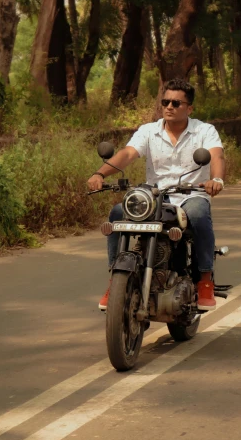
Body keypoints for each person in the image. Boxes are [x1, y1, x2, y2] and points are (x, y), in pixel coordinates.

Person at [87, 79, 226, 313]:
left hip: (191, 194)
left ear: (189, 108)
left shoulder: (204, 130)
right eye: (165, 102)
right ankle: (115, 278)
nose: (169, 107)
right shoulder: (148, 131)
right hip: (154, 196)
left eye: (176, 102)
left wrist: (217, 180)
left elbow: (217, 157)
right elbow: (128, 154)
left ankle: (205, 279)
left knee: (199, 214)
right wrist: (99, 173)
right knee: (117, 213)